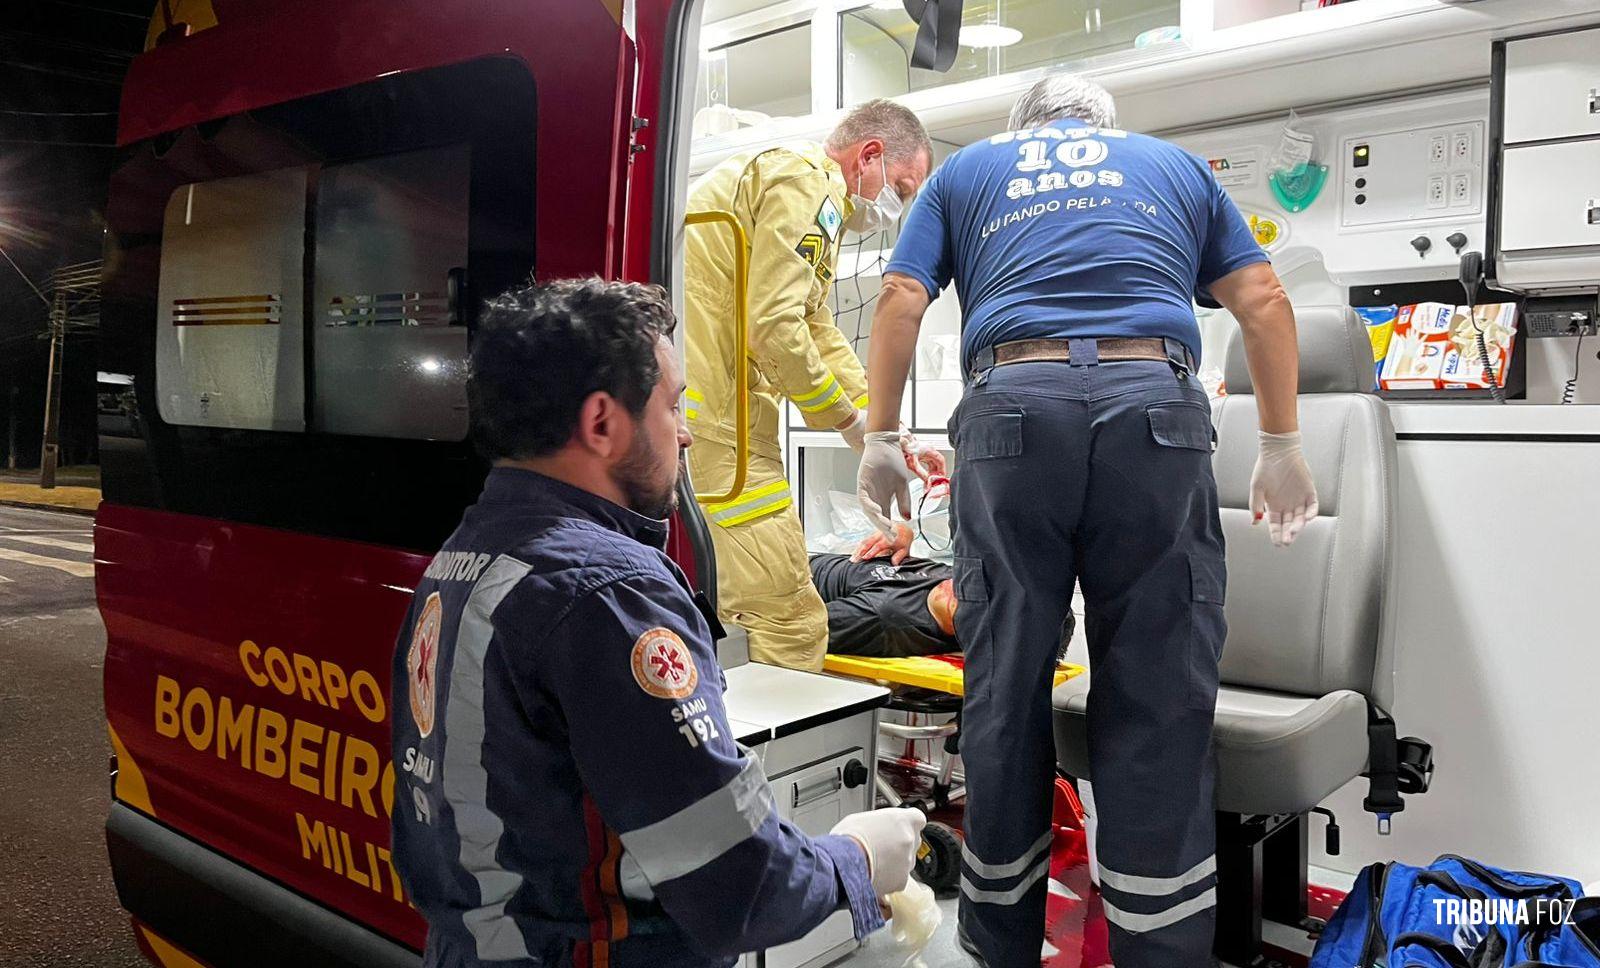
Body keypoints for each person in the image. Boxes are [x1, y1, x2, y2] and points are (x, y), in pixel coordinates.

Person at [856, 74, 1319, 967]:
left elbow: (901, 301)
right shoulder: (1172, 165)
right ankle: (1164, 950)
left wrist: (879, 436)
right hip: (1156, 409)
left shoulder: (967, 171)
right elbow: (1263, 298)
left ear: (1023, 126)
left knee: (1003, 684)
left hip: (1012, 413)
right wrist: (1281, 443)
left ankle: (999, 946)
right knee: (1158, 687)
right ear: (1103, 126)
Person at [390, 278, 926, 968]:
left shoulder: (463, 558)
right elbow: (742, 889)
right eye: (674, 406)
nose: (688, 432)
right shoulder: (609, 593)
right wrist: (857, 856)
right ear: (604, 423)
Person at [684, 98, 941, 673]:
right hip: (723, 435)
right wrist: (854, 428)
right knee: (789, 619)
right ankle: (760, 763)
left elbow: (816, 327)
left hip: (718, 423)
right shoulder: (809, 181)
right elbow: (775, 328)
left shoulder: (783, 180)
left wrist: (885, 432)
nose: (898, 208)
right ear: (868, 155)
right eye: (901, 188)